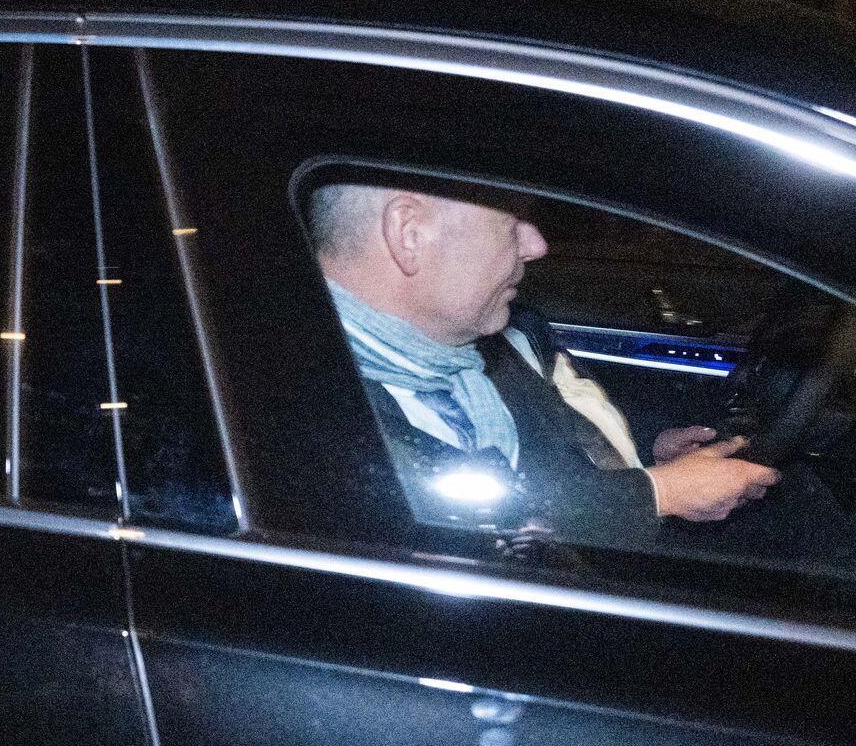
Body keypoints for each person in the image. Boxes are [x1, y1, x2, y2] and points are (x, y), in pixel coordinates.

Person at [310, 179, 778, 535]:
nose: (537, 247)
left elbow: (556, 433)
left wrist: (648, 445)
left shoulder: (464, 353)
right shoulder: (315, 408)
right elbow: (480, 529)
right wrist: (662, 492)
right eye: (511, 223)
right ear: (409, 234)